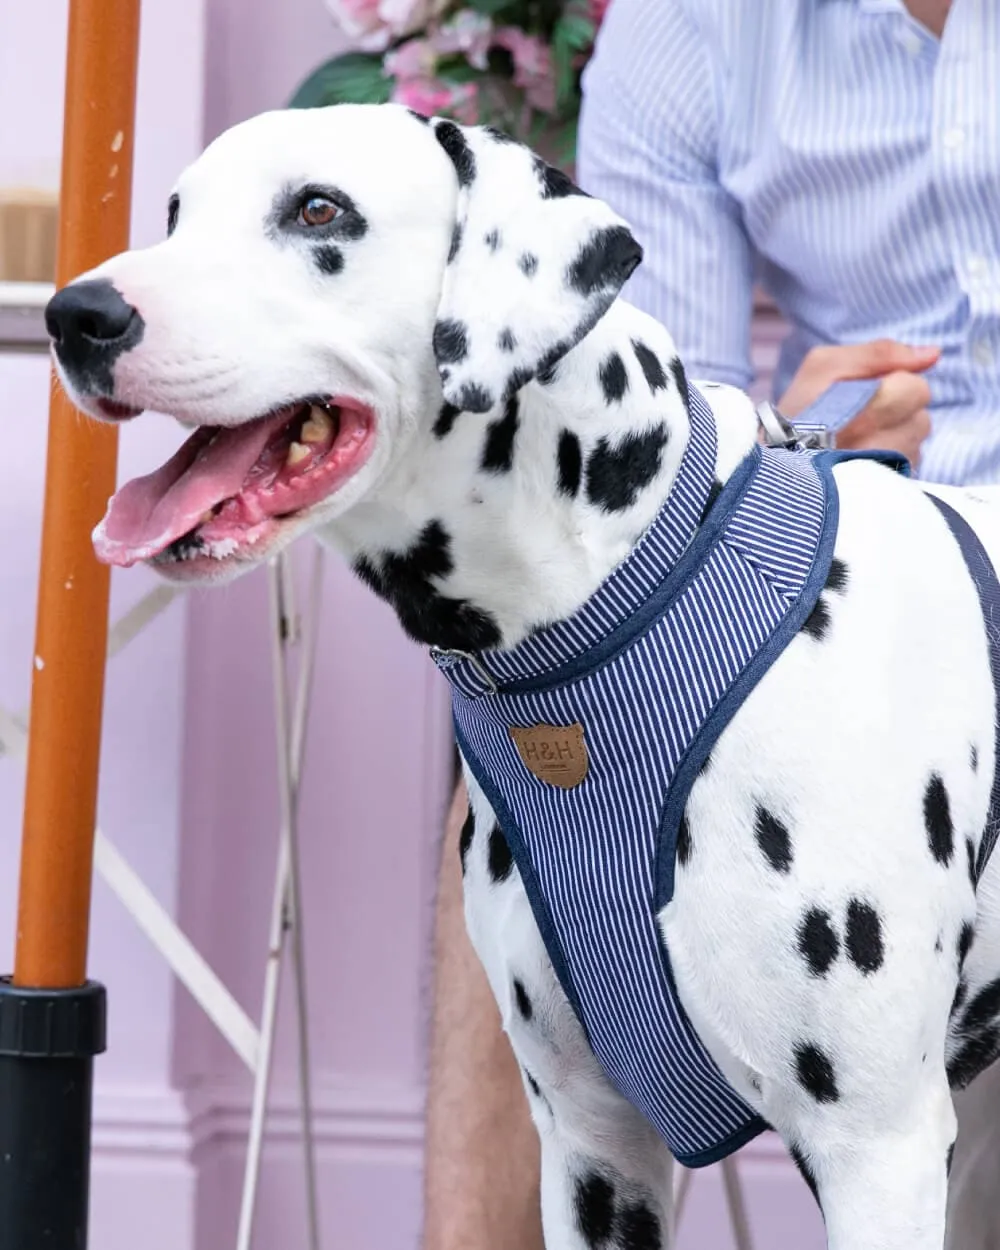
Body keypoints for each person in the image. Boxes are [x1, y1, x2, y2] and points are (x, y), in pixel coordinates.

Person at [422, 1, 1000, 1247]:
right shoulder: (690, 24)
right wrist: (786, 451)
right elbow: (644, 432)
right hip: (858, 574)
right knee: (525, 749)